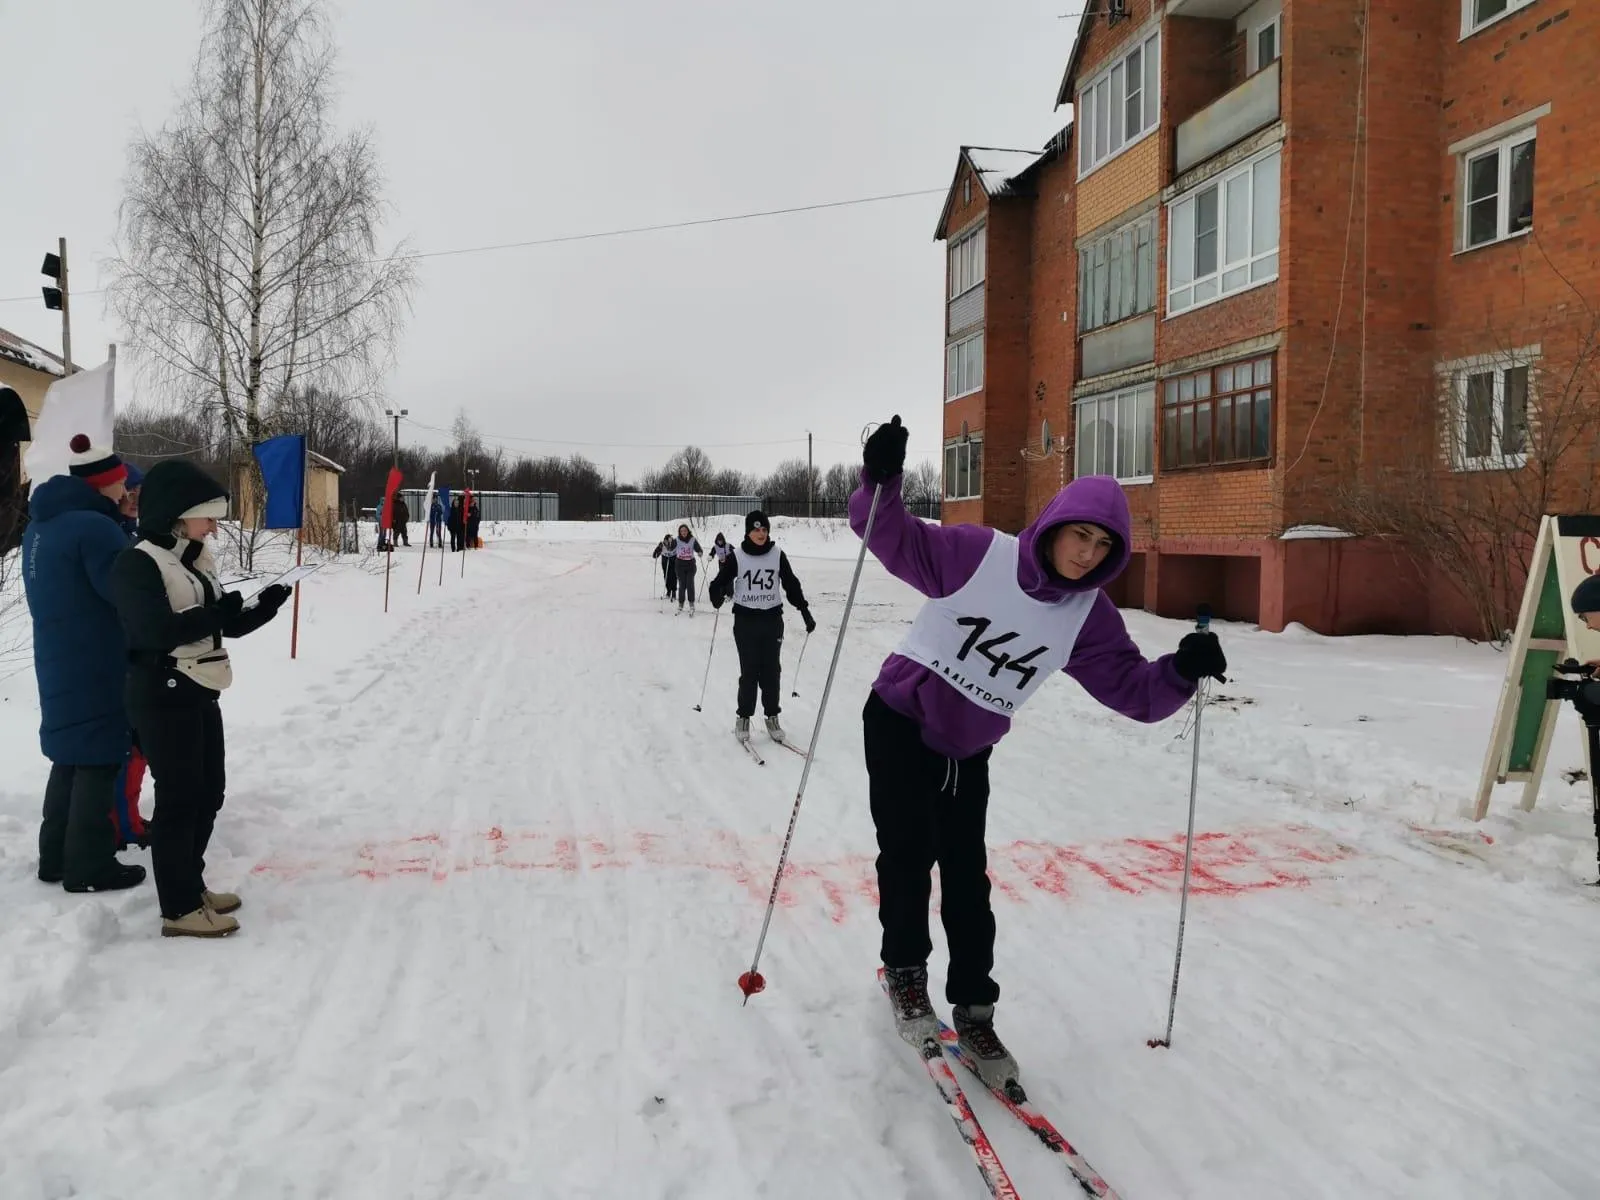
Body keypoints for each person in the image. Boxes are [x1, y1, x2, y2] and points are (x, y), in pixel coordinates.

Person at [850, 416, 1227, 1090]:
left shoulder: (1089, 617)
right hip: (901, 720)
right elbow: (889, 534)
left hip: (969, 747)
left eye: (1103, 544)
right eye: (1080, 534)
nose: (1087, 553)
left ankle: (975, 1007)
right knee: (908, 856)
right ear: (1054, 525)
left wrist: (1181, 669)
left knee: (968, 879)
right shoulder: (975, 554)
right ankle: (905, 974)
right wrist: (881, 478)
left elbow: (1134, 692)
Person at [110, 460, 292, 938]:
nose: (213, 526)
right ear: (175, 513)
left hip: (201, 688)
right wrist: (214, 613)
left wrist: (264, 607)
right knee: (179, 799)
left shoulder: (195, 557)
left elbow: (223, 624)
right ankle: (178, 908)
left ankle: (192, 885)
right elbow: (155, 632)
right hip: (160, 692)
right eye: (206, 516)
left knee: (209, 793)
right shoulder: (138, 561)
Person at [22, 435, 146, 893]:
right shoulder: (95, 528)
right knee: (98, 755)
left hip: (55, 654)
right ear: (103, 485)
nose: (125, 493)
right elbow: (122, 593)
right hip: (97, 656)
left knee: (68, 756)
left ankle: (54, 856)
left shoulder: (41, 526)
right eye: (119, 485)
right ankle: (89, 864)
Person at [708, 510, 816, 743]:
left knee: (771, 671)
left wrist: (804, 610)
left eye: (764, 530)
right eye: (756, 529)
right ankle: (744, 717)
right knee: (749, 672)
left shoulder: (777, 555)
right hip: (746, 621)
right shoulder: (737, 556)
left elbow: (791, 584)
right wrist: (715, 595)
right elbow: (719, 581)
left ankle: (772, 715)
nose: (761, 534)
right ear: (748, 531)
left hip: (772, 620)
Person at [669, 523, 703, 613]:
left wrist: (700, 552)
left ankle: (691, 603)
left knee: (690, 584)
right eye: (681, 531)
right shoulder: (676, 540)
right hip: (679, 565)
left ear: (688, 531)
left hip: (690, 565)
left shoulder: (692, 539)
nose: (683, 532)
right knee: (682, 585)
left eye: (685, 531)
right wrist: (670, 542)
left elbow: (698, 549)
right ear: (679, 532)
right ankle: (681, 603)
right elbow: (670, 548)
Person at [652, 534, 676, 598]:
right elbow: (654, 555)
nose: (666, 542)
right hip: (665, 563)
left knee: (673, 577)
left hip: (673, 563)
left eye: (668, 540)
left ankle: (674, 592)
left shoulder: (674, 544)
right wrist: (659, 549)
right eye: (665, 541)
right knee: (666, 577)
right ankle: (668, 591)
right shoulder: (662, 545)